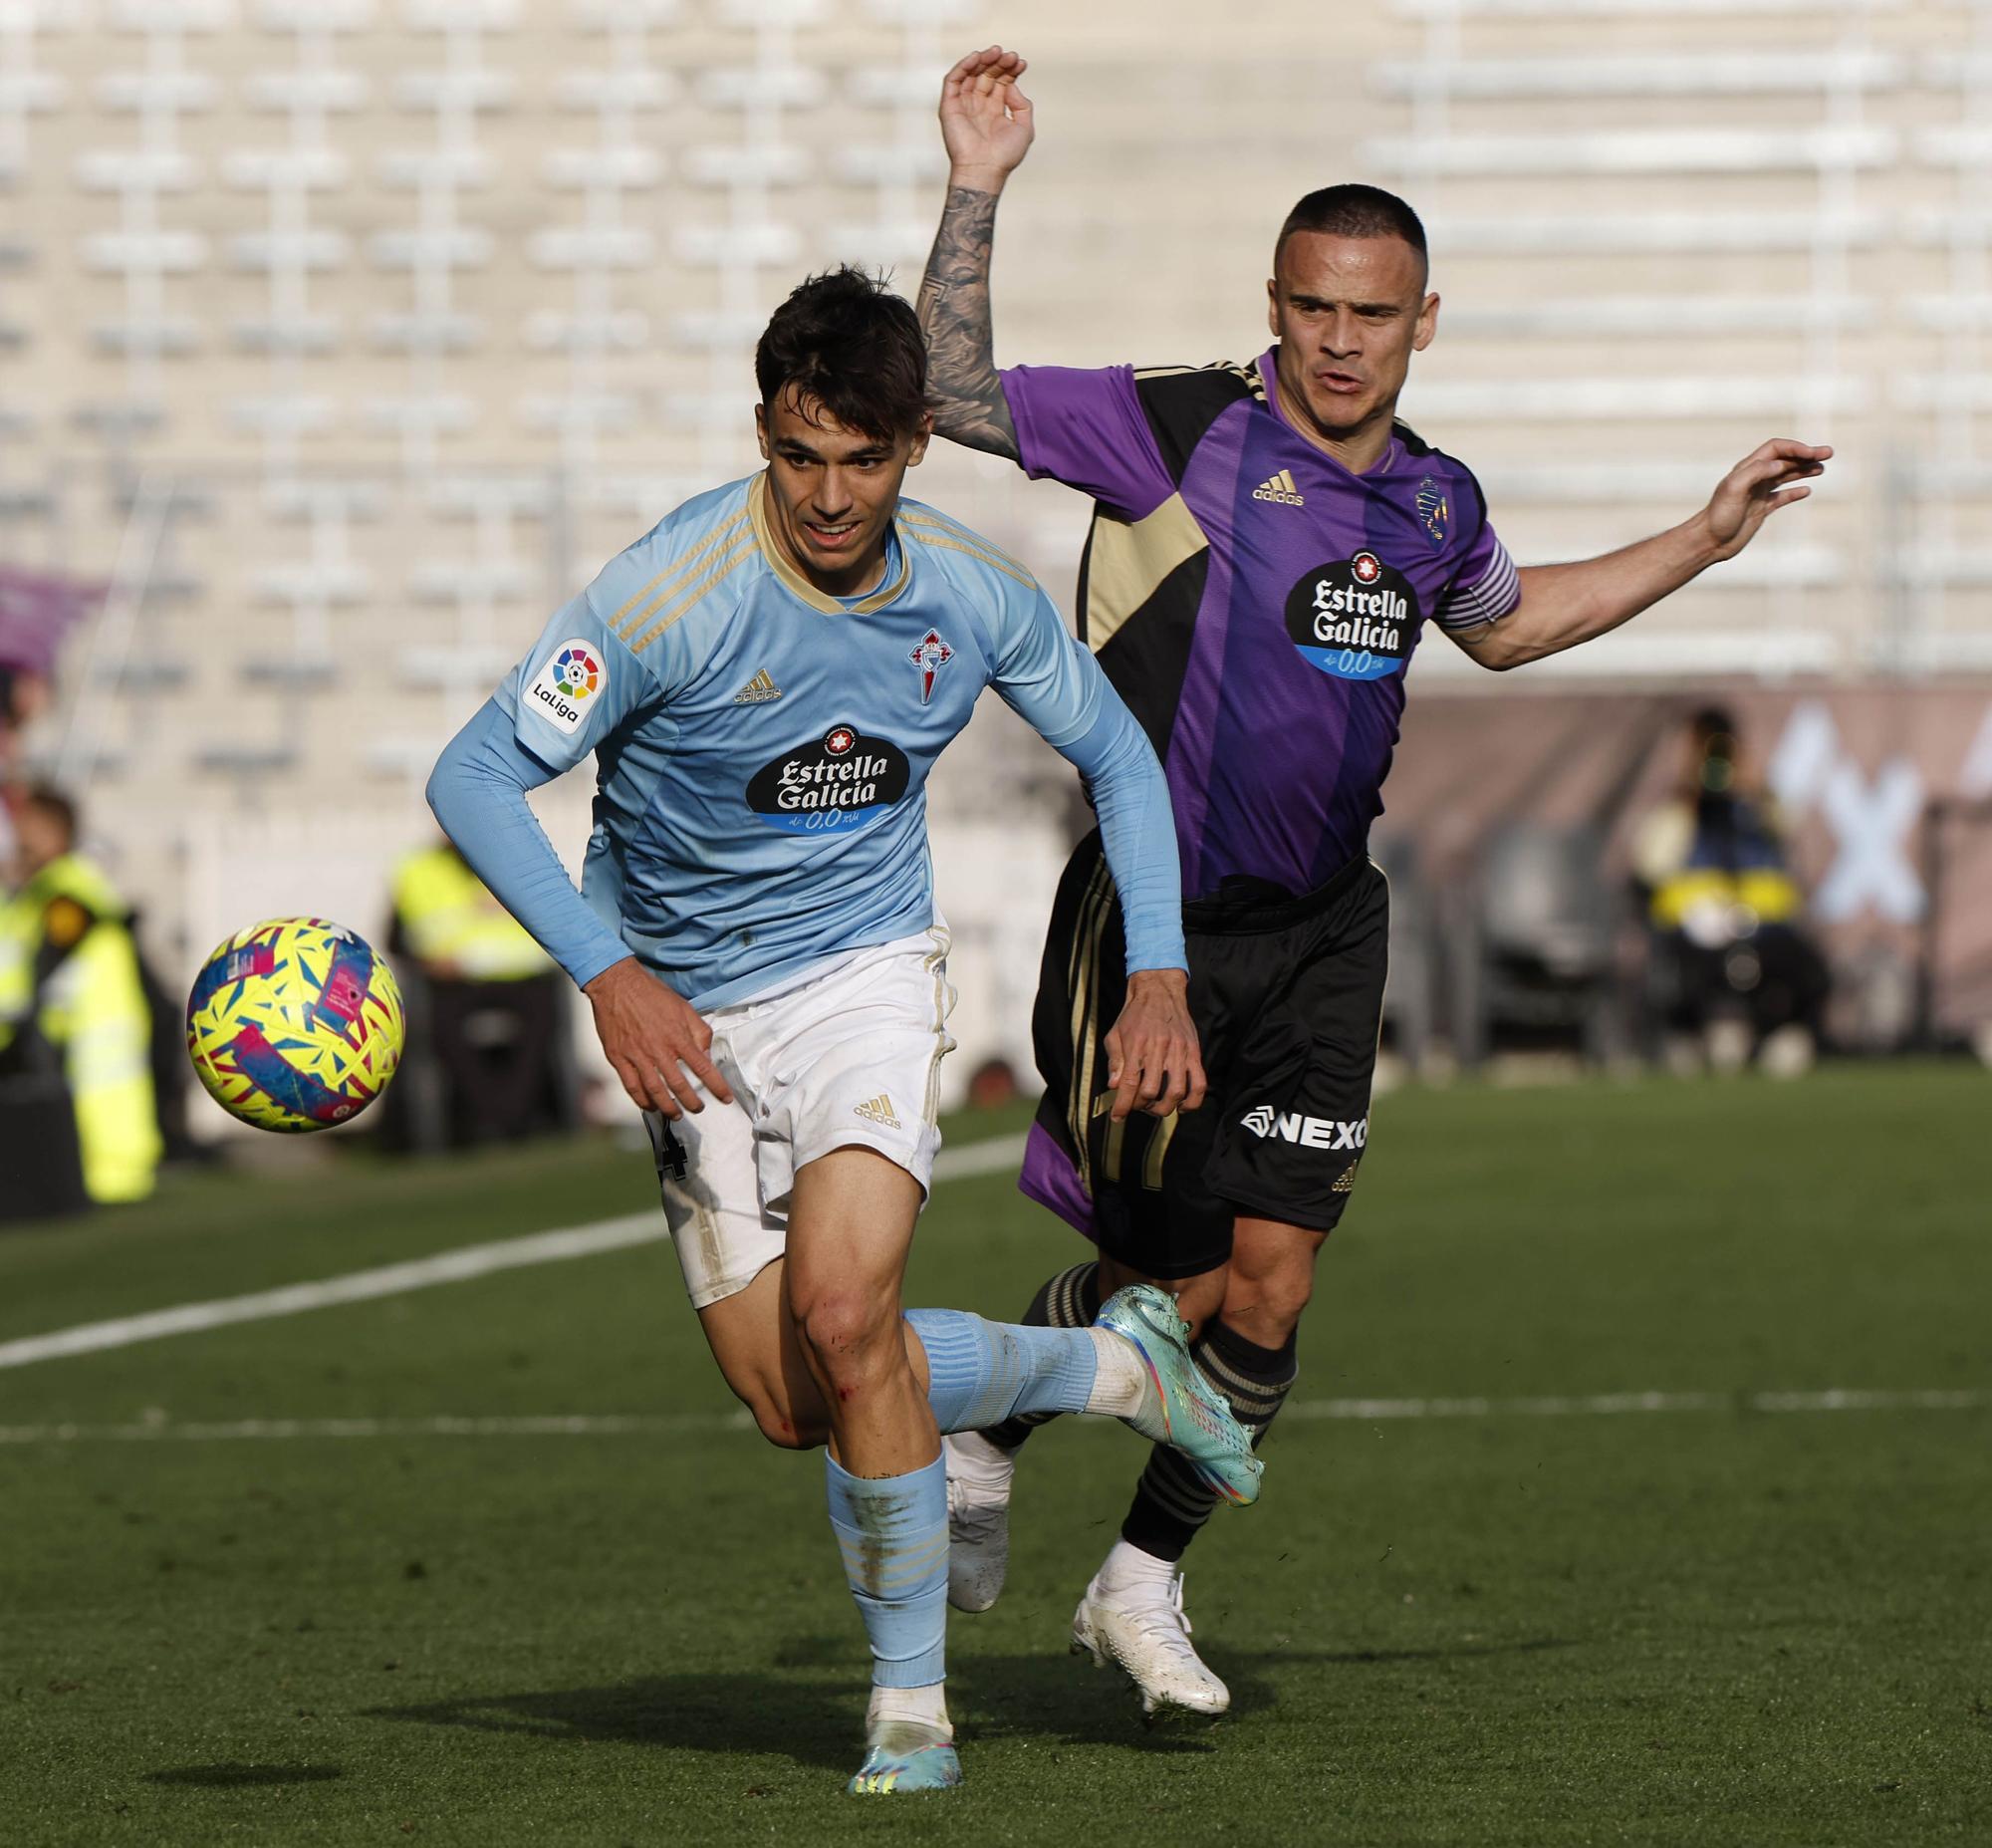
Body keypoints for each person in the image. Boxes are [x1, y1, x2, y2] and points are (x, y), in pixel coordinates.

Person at [916, 45, 1835, 1719]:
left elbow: (1515, 624)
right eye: (1317, 308)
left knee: (1271, 1283)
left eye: (1377, 313)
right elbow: (948, 387)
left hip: (1332, 927)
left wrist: (1706, 536)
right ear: (1278, 305)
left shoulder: (1429, 498)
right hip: (1155, 926)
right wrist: (978, 185)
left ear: (1426, 322)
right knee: (1167, 1288)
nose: (1343, 340)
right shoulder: (1175, 426)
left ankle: (1141, 1580)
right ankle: (989, 1415)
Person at [424, 267, 1263, 1796]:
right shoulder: (667, 591)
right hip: (679, 1008)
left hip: (862, 974)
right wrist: (611, 973)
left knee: (841, 1308)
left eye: (862, 460)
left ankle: (909, 1714)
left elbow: (1124, 760)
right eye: (799, 455)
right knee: (793, 1398)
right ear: (763, 432)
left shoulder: (967, 590)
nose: (828, 494)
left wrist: (1158, 971)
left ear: (913, 447)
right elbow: (476, 774)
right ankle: (1105, 1367)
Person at [1631, 706, 1830, 1073]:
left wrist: (1758, 788)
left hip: (1764, 931)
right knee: (1692, 977)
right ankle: (1702, 1037)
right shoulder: (1677, 812)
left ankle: (1778, 1036)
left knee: (1808, 968)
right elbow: (1651, 863)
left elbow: (1787, 830)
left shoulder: (1754, 809)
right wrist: (1687, 798)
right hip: (1697, 937)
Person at [0, 781, 162, 1212]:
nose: (19, 836)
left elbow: (48, 956)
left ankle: (111, 1177)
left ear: (56, 830)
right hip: (68, 1037)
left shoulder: (67, 890)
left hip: (93, 1032)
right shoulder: (38, 893)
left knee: (107, 1120)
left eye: (28, 825)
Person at [386, 837, 577, 1149]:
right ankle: (497, 1117)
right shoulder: (417, 870)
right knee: (441, 1028)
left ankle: (509, 1114)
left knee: (544, 1019)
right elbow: (396, 940)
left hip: (523, 975)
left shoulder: (518, 861)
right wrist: (425, 962)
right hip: (453, 981)